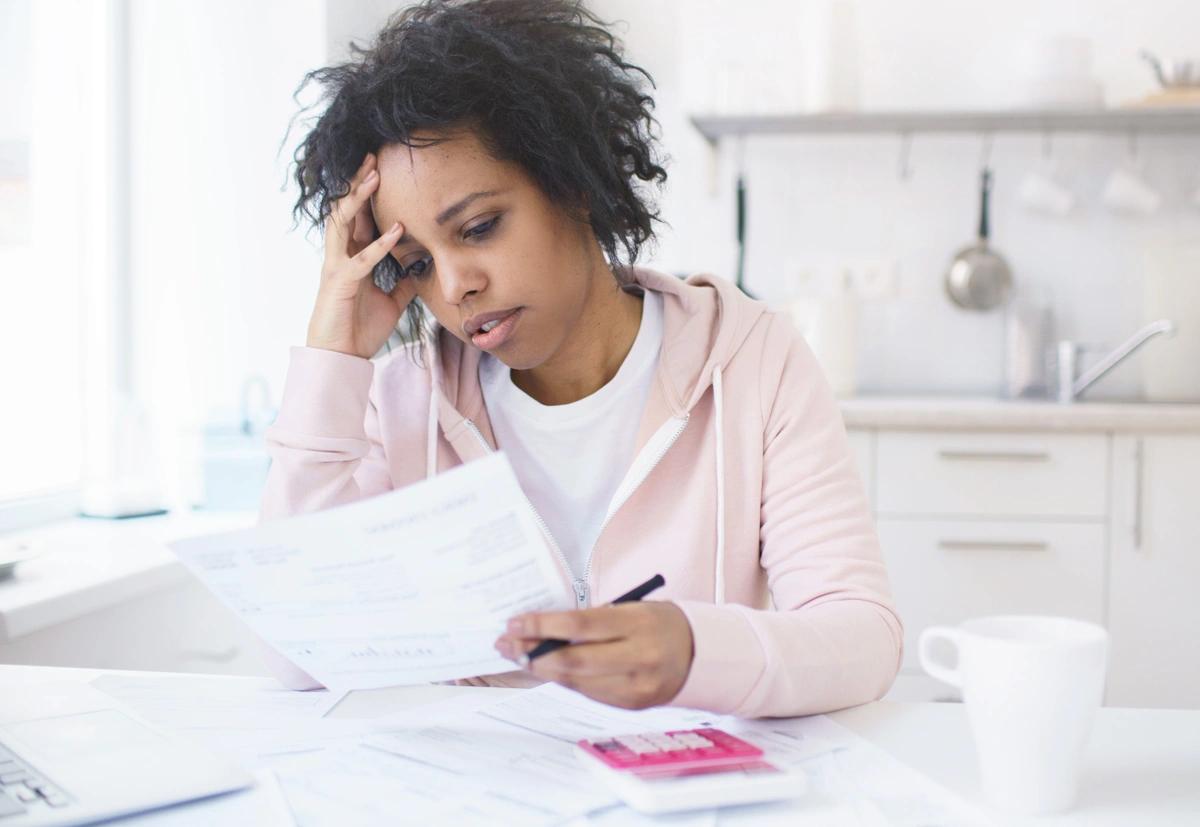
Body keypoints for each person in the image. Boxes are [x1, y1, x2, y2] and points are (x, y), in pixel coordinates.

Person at [260, 0, 902, 717]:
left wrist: (695, 650)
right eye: (413, 262)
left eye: (478, 227)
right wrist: (332, 358)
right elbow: (298, 652)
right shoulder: (403, 397)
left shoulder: (752, 362)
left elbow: (862, 637)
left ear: (572, 181)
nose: (454, 285)